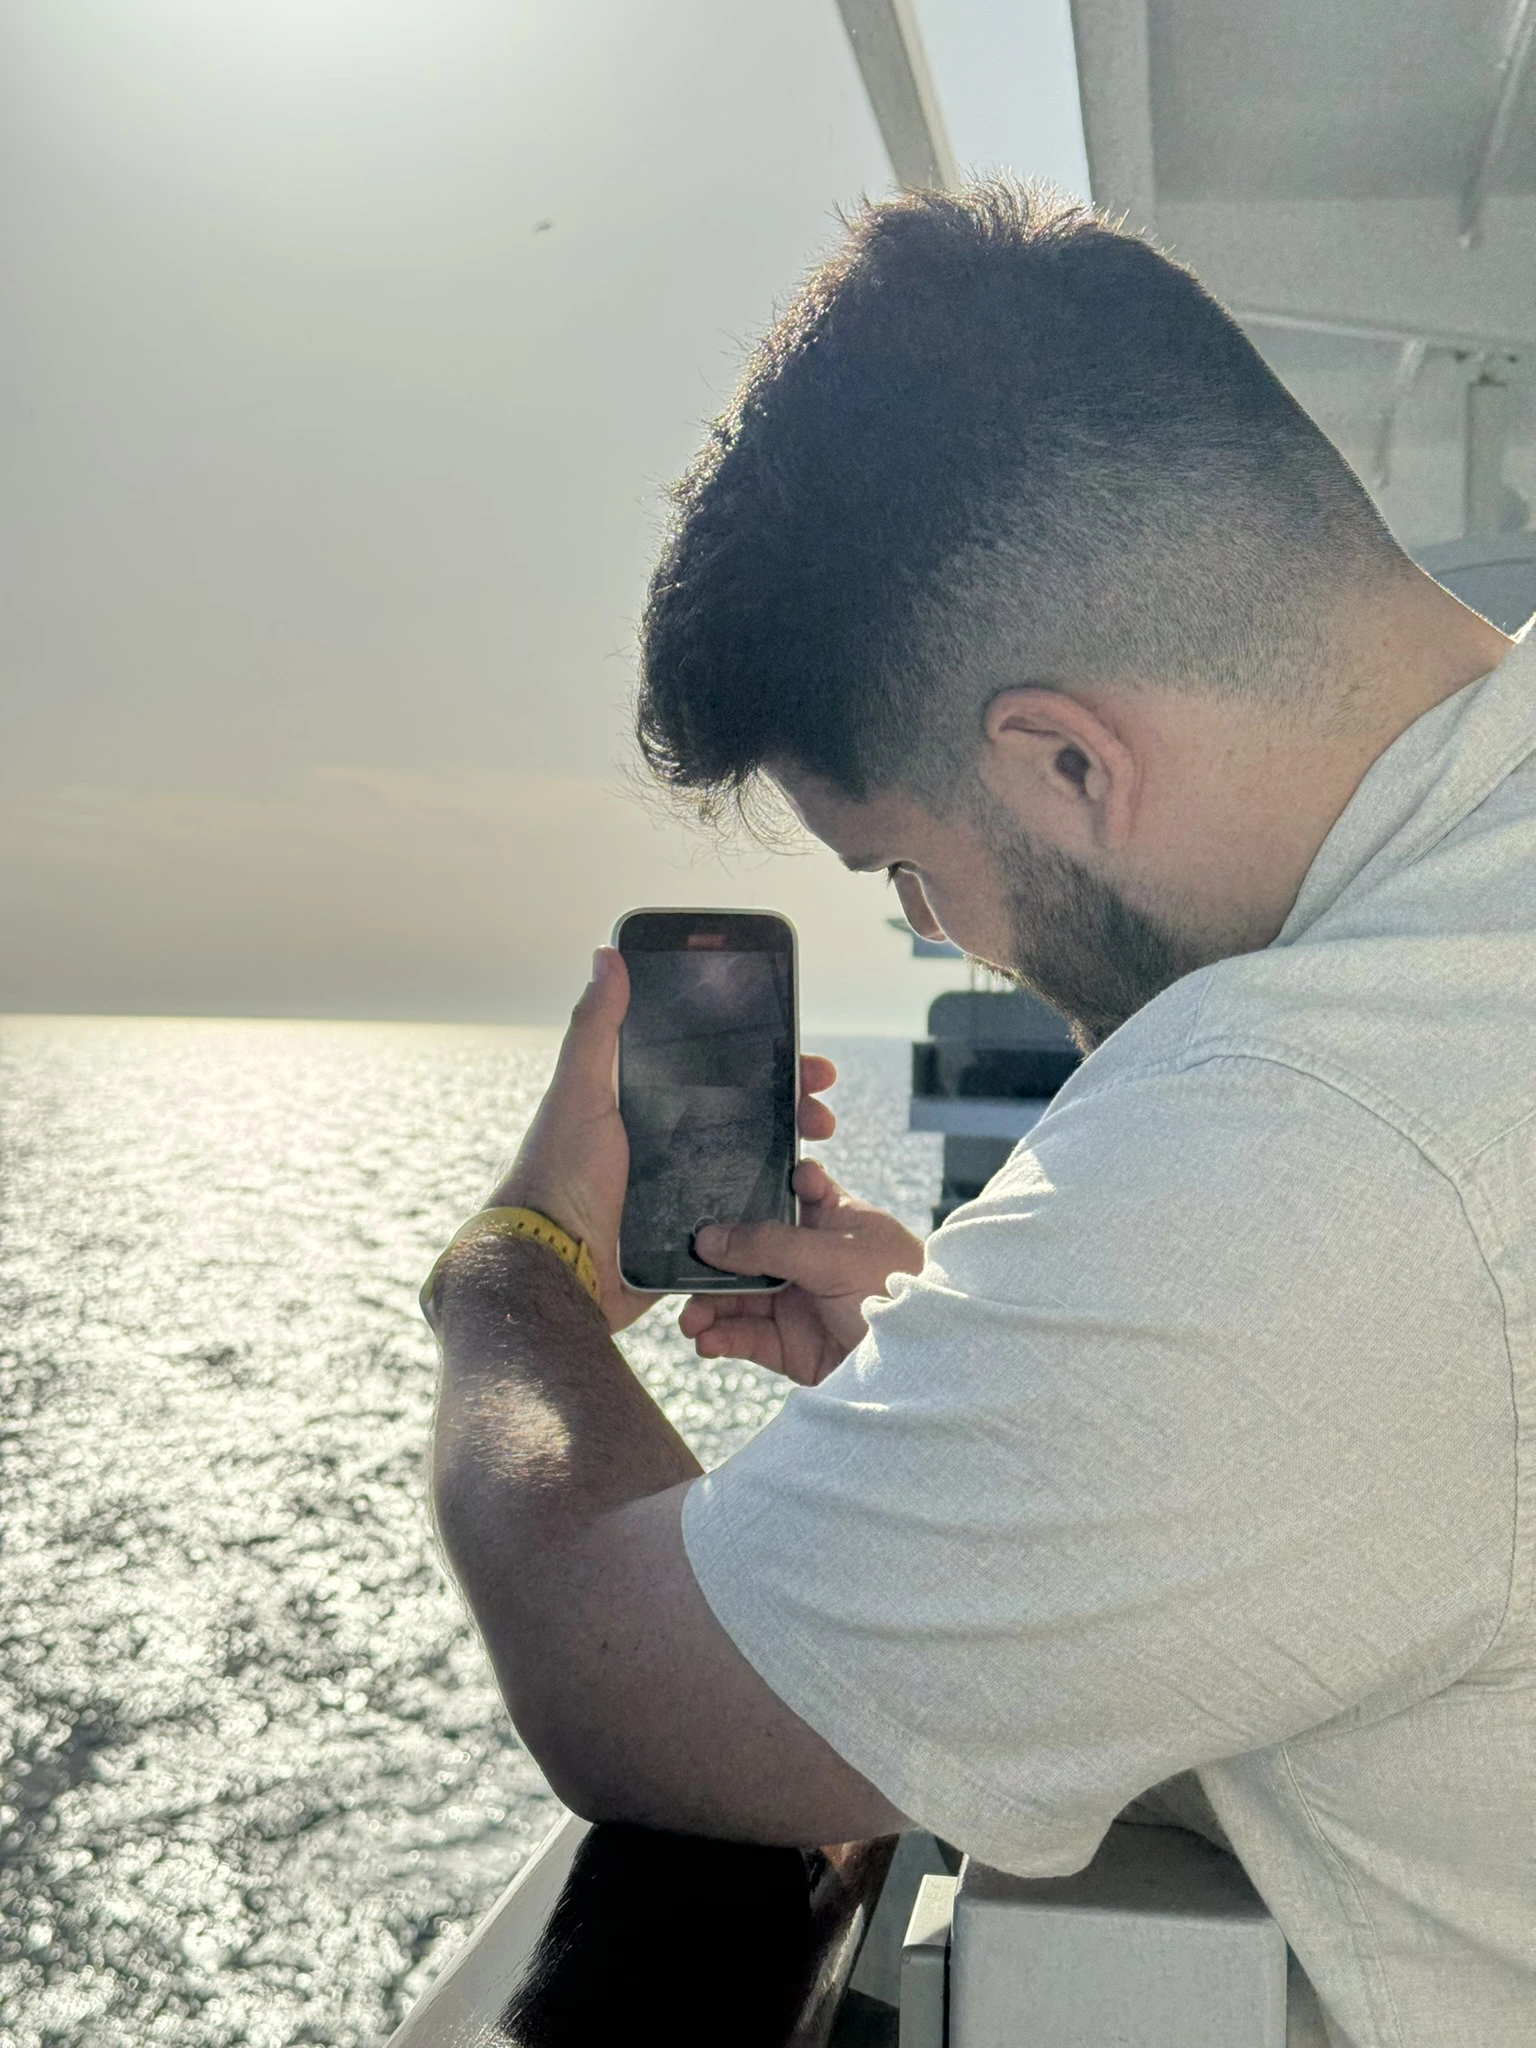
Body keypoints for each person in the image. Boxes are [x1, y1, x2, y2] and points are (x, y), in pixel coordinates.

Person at [421, 185, 1535, 2046]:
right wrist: (1031, 1388)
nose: (939, 938)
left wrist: (510, 1271)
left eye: (906, 872)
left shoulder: (1312, 1138)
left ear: (1068, 761)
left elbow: (613, 1678)